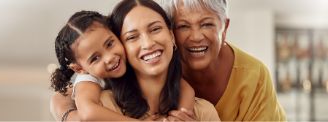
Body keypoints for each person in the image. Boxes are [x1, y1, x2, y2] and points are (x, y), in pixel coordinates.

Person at [50, 10, 195, 121]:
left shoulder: (129, 61)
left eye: (109, 44)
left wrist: (181, 114)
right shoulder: (87, 80)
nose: (109, 58)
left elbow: (184, 86)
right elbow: (88, 113)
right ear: (79, 69)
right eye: (95, 58)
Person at [160, 0, 287, 121]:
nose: (196, 37)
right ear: (170, 33)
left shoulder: (255, 76)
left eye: (206, 24)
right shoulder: (159, 73)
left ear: (225, 27)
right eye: (183, 26)